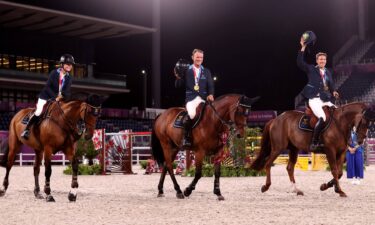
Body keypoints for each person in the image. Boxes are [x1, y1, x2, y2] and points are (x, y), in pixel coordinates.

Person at [297, 37, 339, 151]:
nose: (322, 61)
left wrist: (333, 91)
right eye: (320, 59)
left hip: (325, 99)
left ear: (326, 61)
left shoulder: (328, 72)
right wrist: (303, 47)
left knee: (338, 113)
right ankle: (314, 142)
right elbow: (300, 63)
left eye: (324, 59)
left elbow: (331, 85)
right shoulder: (311, 69)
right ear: (317, 61)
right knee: (322, 117)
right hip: (314, 99)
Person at [21, 54, 75, 139]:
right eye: (68, 64)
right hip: (46, 96)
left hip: (59, 99)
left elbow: (67, 91)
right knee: (39, 111)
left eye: (71, 64)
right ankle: (27, 130)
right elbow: (48, 87)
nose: (69, 66)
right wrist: (54, 97)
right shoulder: (54, 73)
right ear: (62, 64)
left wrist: (64, 96)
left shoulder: (69, 78)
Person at [175, 49, 215, 148]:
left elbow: (210, 85)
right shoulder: (187, 70)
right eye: (197, 57)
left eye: (201, 57)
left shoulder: (206, 71)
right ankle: (186, 138)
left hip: (204, 98)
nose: (199, 59)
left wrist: (211, 94)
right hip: (191, 99)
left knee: (213, 114)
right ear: (192, 57)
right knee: (192, 114)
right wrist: (178, 76)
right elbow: (178, 86)